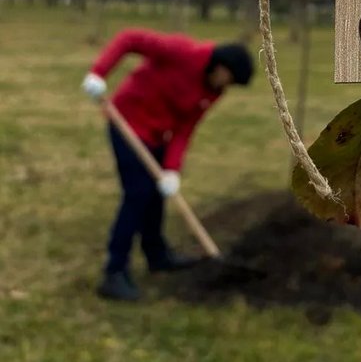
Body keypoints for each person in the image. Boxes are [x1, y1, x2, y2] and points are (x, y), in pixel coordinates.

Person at [81, 28, 254, 301]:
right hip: (127, 121)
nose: (225, 86)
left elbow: (185, 129)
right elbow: (130, 39)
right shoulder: (182, 52)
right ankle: (114, 272)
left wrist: (172, 169)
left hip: (159, 135)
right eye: (228, 79)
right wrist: (98, 72)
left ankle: (157, 255)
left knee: (155, 197)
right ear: (221, 66)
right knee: (137, 194)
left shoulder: (212, 91)